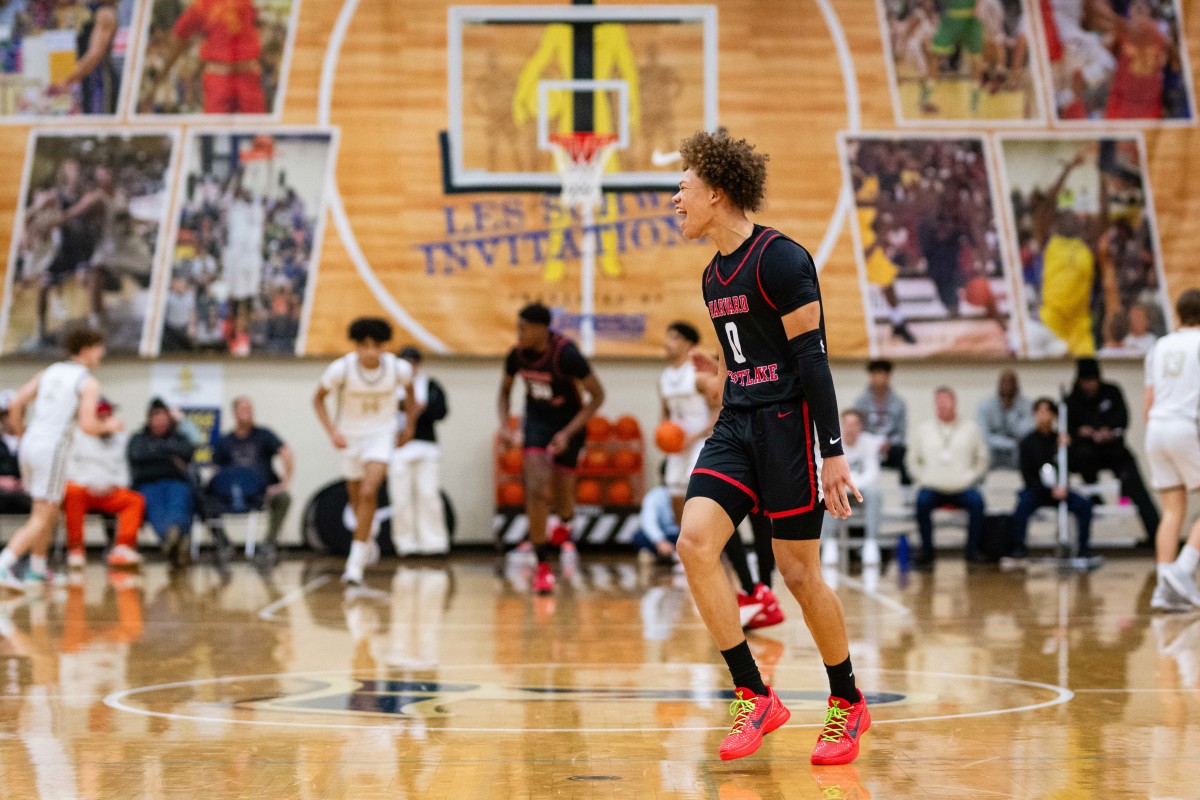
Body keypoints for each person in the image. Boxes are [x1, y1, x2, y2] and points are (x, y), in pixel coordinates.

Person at [671, 130, 869, 765]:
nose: (676, 197)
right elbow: (747, 359)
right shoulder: (712, 275)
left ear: (717, 192)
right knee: (694, 542)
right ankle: (753, 692)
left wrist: (831, 452)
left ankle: (847, 701)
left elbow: (811, 359)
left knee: (798, 573)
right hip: (735, 425)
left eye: (684, 187)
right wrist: (719, 384)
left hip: (787, 426)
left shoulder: (781, 260)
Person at [0, 328, 121, 592]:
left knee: (46, 509)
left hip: (32, 442)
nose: (103, 353)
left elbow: (16, 404)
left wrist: (22, 436)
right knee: (43, 515)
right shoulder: (87, 381)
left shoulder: (50, 371)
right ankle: (4, 564)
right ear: (87, 349)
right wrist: (110, 424)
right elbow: (88, 425)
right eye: (100, 348)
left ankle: (37, 570)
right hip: (52, 447)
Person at [497, 303, 605, 594]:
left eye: (524, 328)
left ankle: (565, 523)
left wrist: (568, 434)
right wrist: (507, 426)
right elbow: (504, 392)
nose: (519, 333)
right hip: (537, 424)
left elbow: (597, 396)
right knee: (534, 489)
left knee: (564, 497)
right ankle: (541, 564)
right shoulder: (516, 355)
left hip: (569, 425)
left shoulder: (566, 354)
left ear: (541, 329)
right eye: (518, 327)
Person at [314, 318, 415, 586]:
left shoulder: (398, 368)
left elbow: (411, 394)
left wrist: (410, 428)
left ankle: (354, 564)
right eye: (364, 346)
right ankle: (366, 538)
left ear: (383, 347)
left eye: (375, 346)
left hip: (381, 436)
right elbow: (317, 399)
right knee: (357, 500)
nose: (370, 351)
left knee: (370, 491)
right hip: (350, 437)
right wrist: (331, 431)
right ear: (357, 347)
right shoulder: (341, 369)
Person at [1143, 289, 1200, 611]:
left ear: (1178, 314)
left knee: (1172, 510)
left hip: (1156, 428)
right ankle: (1183, 568)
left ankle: (1165, 588)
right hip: (1185, 425)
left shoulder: (1159, 346)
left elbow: (1148, 402)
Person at [1066, 357, 1159, 543]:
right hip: (1087, 454)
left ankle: (1156, 535)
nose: (1090, 385)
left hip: (1114, 450)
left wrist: (1108, 432)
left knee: (1135, 484)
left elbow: (1123, 420)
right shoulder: (1072, 399)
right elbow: (1069, 429)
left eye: (1093, 380)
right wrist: (1083, 433)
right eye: (1086, 381)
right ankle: (1094, 501)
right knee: (1081, 459)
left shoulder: (1112, 391)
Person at [908, 387, 990, 567]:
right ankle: (927, 553)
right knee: (921, 503)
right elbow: (912, 460)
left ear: (954, 402)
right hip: (933, 486)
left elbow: (982, 458)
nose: (942, 406)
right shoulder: (924, 429)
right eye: (938, 402)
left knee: (978, 503)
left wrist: (972, 477)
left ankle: (972, 551)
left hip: (963, 486)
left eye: (945, 401)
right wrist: (924, 478)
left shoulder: (971, 428)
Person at [142, 0, 267, 114]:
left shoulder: (246, 3)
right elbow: (179, 40)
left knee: (260, 133)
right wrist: (157, 83)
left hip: (248, 76)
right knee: (214, 131)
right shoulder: (201, 5)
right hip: (220, 78)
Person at [62, 397, 145, 569]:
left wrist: (115, 485)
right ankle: (76, 549)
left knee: (135, 500)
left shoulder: (120, 440)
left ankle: (123, 548)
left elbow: (124, 471)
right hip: (85, 489)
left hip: (110, 491)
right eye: (101, 417)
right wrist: (88, 484)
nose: (105, 421)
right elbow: (68, 469)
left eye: (108, 416)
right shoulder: (78, 436)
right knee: (71, 492)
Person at [209, 396, 295, 560]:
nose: (248, 413)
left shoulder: (264, 435)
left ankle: (269, 543)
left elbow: (288, 454)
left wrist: (284, 483)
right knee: (203, 500)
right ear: (234, 413)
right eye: (243, 409)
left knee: (284, 498)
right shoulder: (224, 441)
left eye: (250, 409)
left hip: (261, 494)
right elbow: (215, 470)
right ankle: (223, 543)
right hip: (232, 493)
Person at [1009, 398, 1093, 560]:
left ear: (1054, 416)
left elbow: (1075, 467)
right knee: (1021, 507)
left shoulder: (1060, 440)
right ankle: (1018, 548)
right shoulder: (1028, 442)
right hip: (1037, 491)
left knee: (1084, 505)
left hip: (1062, 490)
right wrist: (1049, 490)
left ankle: (1083, 550)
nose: (1043, 416)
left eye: (1047, 412)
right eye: (1040, 412)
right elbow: (1027, 476)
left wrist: (1070, 448)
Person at [389, 346, 450, 557]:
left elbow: (441, 411)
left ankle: (434, 542)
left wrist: (423, 407)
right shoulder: (390, 386)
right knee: (401, 498)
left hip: (425, 446)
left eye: (413, 362)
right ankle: (405, 543)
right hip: (398, 448)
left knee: (428, 494)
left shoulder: (430, 385)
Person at [127, 398, 198, 567]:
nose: (160, 420)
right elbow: (137, 455)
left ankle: (172, 538)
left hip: (176, 481)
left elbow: (188, 451)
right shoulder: (138, 438)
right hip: (148, 484)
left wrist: (155, 449)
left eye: (163, 416)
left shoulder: (180, 437)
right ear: (149, 419)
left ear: (169, 419)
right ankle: (174, 539)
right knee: (155, 506)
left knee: (180, 500)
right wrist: (169, 454)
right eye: (156, 416)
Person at [820, 409, 884, 567]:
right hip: (839, 490)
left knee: (876, 493)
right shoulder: (833, 442)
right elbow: (825, 470)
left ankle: (871, 542)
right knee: (827, 492)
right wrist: (844, 486)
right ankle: (829, 542)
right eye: (847, 424)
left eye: (854, 424)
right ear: (842, 425)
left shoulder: (870, 443)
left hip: (861, 490)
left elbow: (872, 472)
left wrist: (852, 486)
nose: (850, 428)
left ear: (860, 426)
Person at [49, 0, 120, 115]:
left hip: (100, 85)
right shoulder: (78, 9)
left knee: (97, 129)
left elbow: (94, 55)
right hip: (84, 81)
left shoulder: (105, 13)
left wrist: (67, 80)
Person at [853, 359, 912, 488]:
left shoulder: (899, 403)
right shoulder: (860, 402)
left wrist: (888, 443)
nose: (879, 378)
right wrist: (872, 443)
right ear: (871, 377)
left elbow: (901, 431)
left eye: (882, 374)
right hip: (867, 445)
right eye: (875, 374)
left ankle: (906, 491)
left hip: (890, 446)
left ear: (888, 376)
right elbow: (857, 429)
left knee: (903, 454)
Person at [976, 368, 1034, 470]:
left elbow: (1026, 433)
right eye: (1004, 382)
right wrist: (1010, 443)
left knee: (1027, 450)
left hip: (1017, 453)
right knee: (983, 451)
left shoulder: (1028, 405)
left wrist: (1010, 412)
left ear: (1017, 385)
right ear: (998, 384)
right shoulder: (986, 405)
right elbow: (983, 435)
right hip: (993, 450)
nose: (1007, 386)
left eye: (1011, 382)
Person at [0, 391, 32, 515]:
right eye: (7, 414)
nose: (12, 418)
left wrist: (29, 481)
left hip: (29, 494)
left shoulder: (34, 441)